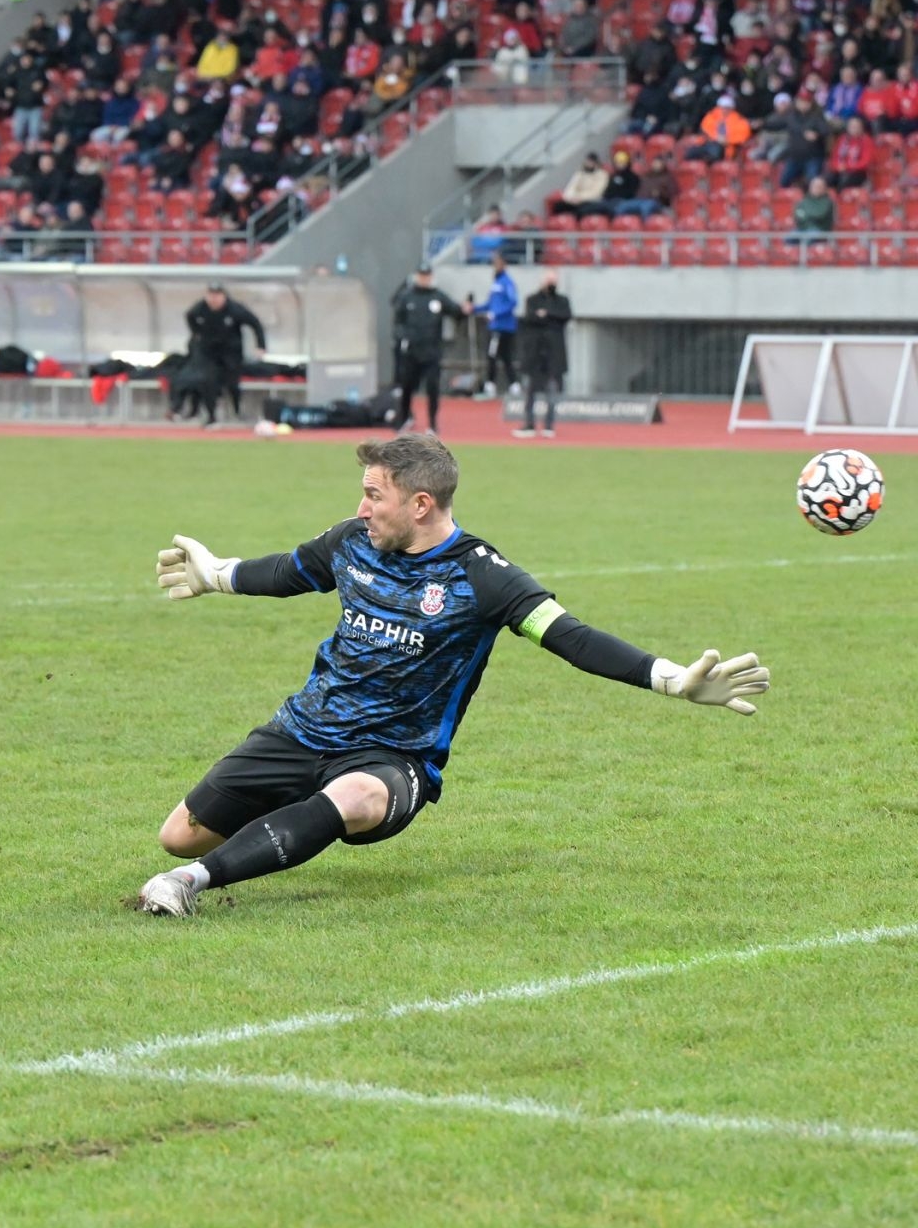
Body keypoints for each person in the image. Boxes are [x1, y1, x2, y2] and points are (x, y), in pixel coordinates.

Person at [136, 435, 770, 916]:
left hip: (393, 757)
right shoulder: (352, 542)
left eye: (373, 494)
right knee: (178, 834)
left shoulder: (484, 577)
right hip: (303, 729)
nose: (361, 507)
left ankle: (191, 885)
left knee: (350, 799)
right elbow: (286, 572)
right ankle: (269, 827)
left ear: (420, 503)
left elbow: (572, 638)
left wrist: (670, 678)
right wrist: (216, 574)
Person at [390, 263, 465, 436]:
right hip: (411, 351)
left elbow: (456, 311)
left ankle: (432, 423)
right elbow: (398, 321)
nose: (424, 279)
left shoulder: (438, 296)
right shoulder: (407, 296)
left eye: (427, 276)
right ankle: (405, 418)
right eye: (421, 275)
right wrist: (403, 338)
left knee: (432, 387)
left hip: (431, 351)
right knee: (407, 386)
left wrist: (465, 308)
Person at [184, 282, 266, 425]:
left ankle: (237, 411)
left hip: (231, 352)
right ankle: (211, 416)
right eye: (211, 295)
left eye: (217, 295)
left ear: (223, 296)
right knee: (207, 381)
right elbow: (190, 316)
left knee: (233, 383)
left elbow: (255, 323)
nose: (213, 299)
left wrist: (260, 345)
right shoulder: (200, 308)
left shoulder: (235, 309)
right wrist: (197, 333)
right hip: (209, 352)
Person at [515, 271, 571, 439]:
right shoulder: (532, 299)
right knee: (529, 390)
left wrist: (546, 314)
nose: (551, 284)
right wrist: (548, 317)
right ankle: (529, 424)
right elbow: (530, 318)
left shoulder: (562, 301)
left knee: (552, 390)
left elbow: (565, 316)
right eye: (548, 280)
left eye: (553, 281)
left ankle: (549, 425)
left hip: (553, 354)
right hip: (534, 354)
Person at [470, 253, 519, 398]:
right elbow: (490, 304)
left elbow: (512, 302)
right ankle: (512, 384)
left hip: (503, 327)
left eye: (498, 263)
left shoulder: (507, 282)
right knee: (502, 356)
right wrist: (474, 308)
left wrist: (495, 314)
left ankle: (492, 384)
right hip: (495, 326)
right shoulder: (495, 284)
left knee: (495, 354)